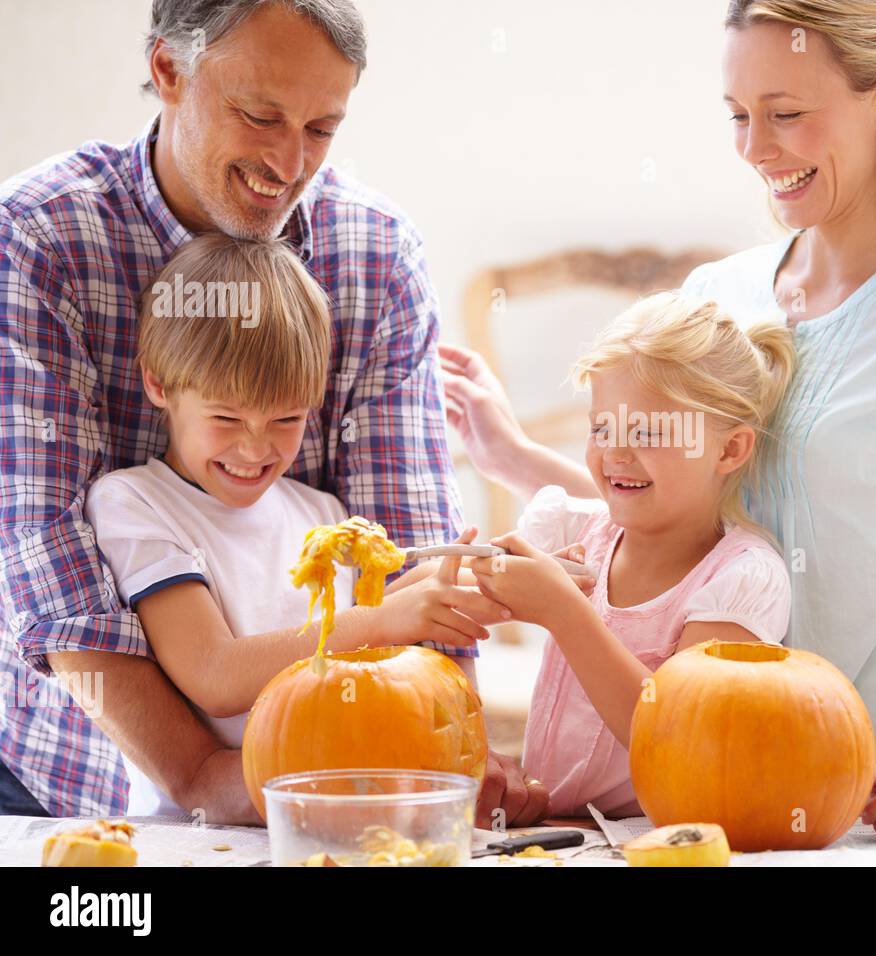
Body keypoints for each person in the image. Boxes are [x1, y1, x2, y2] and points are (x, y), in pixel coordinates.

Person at [440, 0, 876, 844]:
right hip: (677, 783)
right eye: (738, 116)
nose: (755, 150)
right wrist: (513, 457)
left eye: (787, 115)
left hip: (857, 791)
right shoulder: (716, 294)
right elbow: (675, 514)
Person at [0, 0, 547, 825]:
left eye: (323, 128)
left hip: (315, 780)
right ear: (168, 71)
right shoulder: (36, 240)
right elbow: (51, 576)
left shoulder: (376, 253)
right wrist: (203, 781)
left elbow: (404, 542)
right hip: (74, 770)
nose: (290, 164)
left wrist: (449, 757)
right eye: (260, 116)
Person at [83, 234, 507, 815]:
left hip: (334, 800)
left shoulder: (320, 513)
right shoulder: (134, 502)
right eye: (226, 417)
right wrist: (383, 618)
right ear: (158, 383)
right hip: (204, 833)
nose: (254, 448)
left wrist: (455, 585)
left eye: (286, 418)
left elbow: (364, 633)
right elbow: (213, 674)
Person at [465, 293, 795, 817]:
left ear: (730, 450)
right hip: (556, 834)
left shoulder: (743, 579)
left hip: (661, 842)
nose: (615, 453)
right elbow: (452, 610)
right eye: (601, 428)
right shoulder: (570, 528)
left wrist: (563, 612)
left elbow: (679, 736)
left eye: (647, 432)